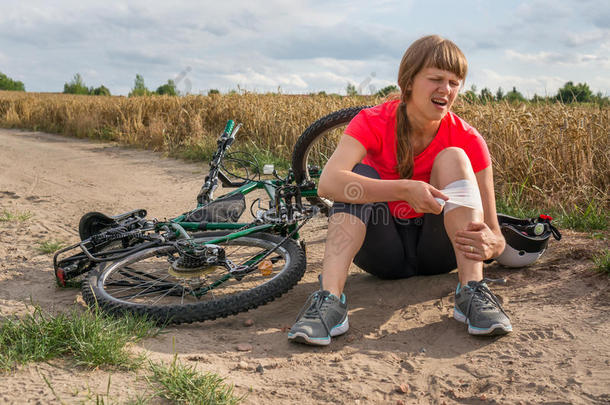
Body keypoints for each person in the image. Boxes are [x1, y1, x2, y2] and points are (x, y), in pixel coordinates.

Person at [287, 35, 511, 346]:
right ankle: (330, 301)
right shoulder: (372, 121)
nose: (446, 89)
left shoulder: (468, 138)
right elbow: (328, 183)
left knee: (455, 157)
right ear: (407, 82)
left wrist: (492, 245)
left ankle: (471, 292)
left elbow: (497, 237)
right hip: (383, 251)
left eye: (454, 82)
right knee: (357, 174)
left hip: (439, 249)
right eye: (435, 79)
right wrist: (403, 189)